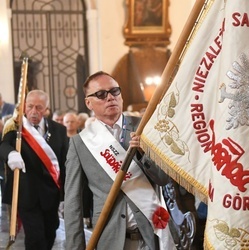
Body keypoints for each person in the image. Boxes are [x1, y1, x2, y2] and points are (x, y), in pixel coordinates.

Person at [64, 71, 175, 250]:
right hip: (110, 239)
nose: (110, 98)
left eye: (114, 91)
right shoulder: (80, 143)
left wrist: (142, 153)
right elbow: (72, 200)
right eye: (101, 94)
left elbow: (163, 179)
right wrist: (74, 246)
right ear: (88, 103)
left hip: (152, 234)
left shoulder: (146, 127)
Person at [0, 89, 68, 250]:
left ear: (46, 109)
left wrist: (64, 194)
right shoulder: (16, 128)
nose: (34, 111)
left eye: (39, 107)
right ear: (24, 107)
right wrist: (11, 154)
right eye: (30, 106)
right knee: (35, 238)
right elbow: (3, 145)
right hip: (26, 193)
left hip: (51, 194)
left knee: (50, 233)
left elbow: (65, 163)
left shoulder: (59, 130)